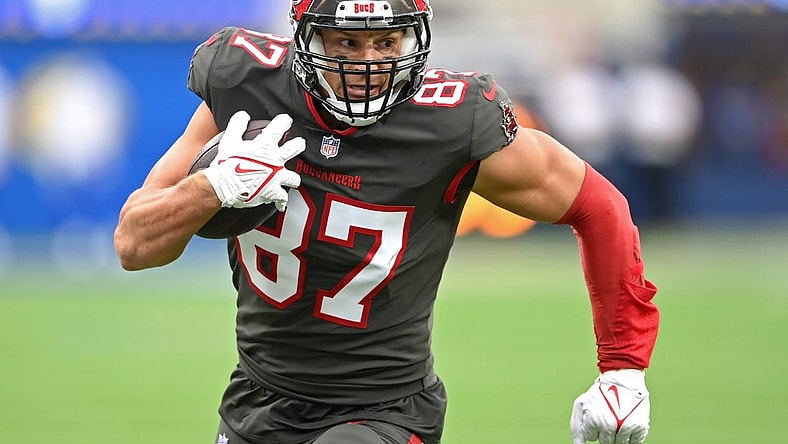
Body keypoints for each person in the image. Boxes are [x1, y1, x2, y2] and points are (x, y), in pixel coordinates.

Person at [113, 1, 660, 443]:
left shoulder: (450, 123)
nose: (367, 64)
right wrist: (211, 187)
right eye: (347, 42)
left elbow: (599, 206)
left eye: (385, 42)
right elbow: (134, 245)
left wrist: (623, 367)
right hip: (258, 400)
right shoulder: (244, 84)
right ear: (307, 37)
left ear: (411, 42)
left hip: (386, 411)